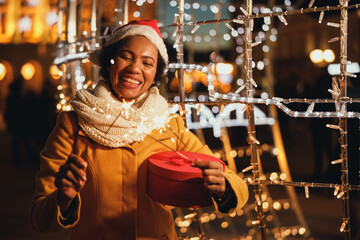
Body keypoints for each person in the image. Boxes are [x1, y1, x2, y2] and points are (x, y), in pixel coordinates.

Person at [30, 19, 249, 240]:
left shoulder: (168, 124)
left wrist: (223, 187)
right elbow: (39, 218)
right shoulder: (73, 124)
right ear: (109, 62)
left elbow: (235, 182)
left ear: (156, 73)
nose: (135, 68)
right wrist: (63, 199)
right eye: (126, 56)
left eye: (147, 62)